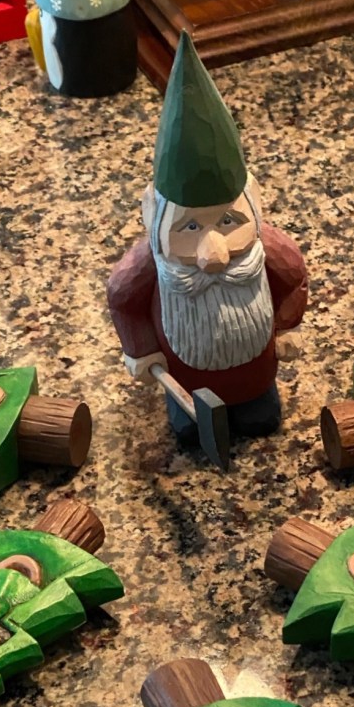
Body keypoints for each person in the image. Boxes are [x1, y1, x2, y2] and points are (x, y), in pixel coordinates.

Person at [107, 32, 308, 444]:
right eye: (190, 228)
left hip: (256, 372)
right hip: (187, 382)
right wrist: (140, 349)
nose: (213, 256)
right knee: (190, 430)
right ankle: (190, 412)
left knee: (261, 419)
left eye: (229, 222)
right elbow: (122, 297)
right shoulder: (148, 264)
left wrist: (287, 326)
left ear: (254, 202)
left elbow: (294, 279)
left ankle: (255, 400)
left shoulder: (268, 248)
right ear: (154, 216)